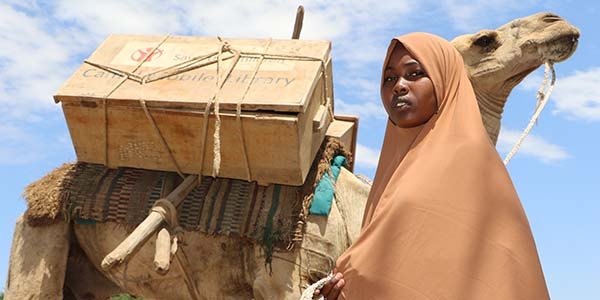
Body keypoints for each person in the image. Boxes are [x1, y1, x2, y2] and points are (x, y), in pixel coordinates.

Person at [315, 32, 549, 299]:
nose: (399, 86)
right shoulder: (393, 171)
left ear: (444, 80)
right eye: (389, 78)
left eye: (414, 74)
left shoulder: (468, 160)